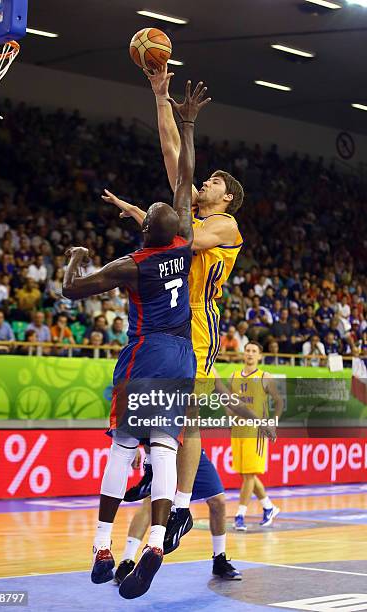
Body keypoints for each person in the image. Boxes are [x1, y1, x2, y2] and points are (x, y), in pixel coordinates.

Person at [62, 81, 209, 599]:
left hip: (144, 354)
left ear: (145, 230)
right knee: (165, 451)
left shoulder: (132, 264)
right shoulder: (185, 244)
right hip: (182, 357)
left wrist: (76, 256)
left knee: (123, 451)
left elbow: (72, 290)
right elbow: (186, 178)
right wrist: (187, 123)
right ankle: (153, 545)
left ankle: (102, 548)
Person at [104, 64, 245, 553]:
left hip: (199, 328)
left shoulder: (225, 225)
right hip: (168, 326)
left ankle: (182, 505)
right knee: (155, 420)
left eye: (211, 183)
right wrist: (160, 95)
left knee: (189, 420)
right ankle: (160, 488)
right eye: (201, 181)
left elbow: (184, 243)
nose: (201, 184)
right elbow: (171, 151)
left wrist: (149, 219)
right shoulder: (191, 214)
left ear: (227, 197)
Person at [115, 447, 242, 585]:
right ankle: (127, 561)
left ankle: (219, 559)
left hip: (189, 451)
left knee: (218, 501)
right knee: (150, 503)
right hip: (165, 448)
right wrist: (135, 445)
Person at [229, 341, 283, 531]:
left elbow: (278, 401)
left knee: (250, 475)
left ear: (259, 356)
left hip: (256, 431)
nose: (250, 354)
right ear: (243, 354)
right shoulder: (234, 376)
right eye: (247, 350)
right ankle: (269, 507)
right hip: (238, 430)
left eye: (254, 351)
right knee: (245, 474)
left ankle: (240, 515)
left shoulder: (264, 376)